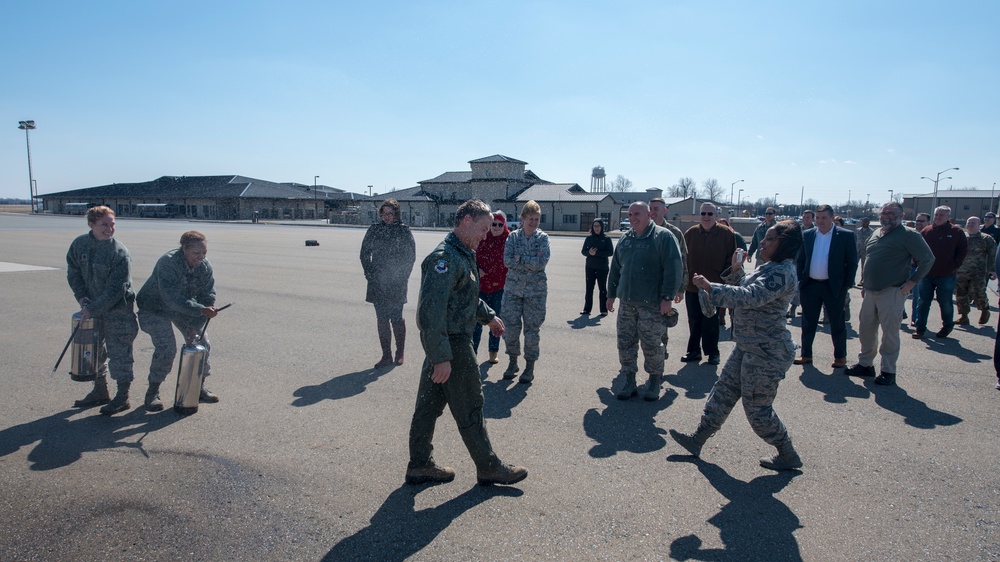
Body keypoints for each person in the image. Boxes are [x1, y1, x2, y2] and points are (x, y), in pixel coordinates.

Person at [405, 199, 527, 486]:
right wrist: (441, 357)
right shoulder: (444, 259)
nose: (485, 235)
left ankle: (419, 464)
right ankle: (488, 467)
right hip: (451, 345)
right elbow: (430, 313)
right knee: (471, 404)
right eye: (483, 229)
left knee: (427, 407)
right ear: (466, 221)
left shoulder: (463, 253)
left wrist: (489, 316)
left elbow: (465, 297)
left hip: (444, 345)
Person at [670, 220, 804, 471]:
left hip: (766, 351)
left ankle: (787, 452)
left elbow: (751, 297)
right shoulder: (769, 267)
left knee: (758, 411)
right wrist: (735, 270)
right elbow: (747, 287)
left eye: (770, 239)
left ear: (784, 244)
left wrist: (712, 287)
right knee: (723, 392)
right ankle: (697, 439)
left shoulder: (782, 272)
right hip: (747, 345)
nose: (762, 241)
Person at [847, 203, 934, 386]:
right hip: (870, 290)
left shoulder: (909, 235)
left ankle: (888, 370)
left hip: (893, 290)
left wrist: (912, 282)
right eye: (884, 212)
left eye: (891, 213)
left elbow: (928, 259)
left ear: (901, 215)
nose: (886, 216)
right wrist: (866, 284)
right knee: (866, 329)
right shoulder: (877, 233)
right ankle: (865, 364)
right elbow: (870, 259)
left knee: (890, 333)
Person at [65, 206, 139, 415]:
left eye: (112, 224)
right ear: (91, 225)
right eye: (104, 225)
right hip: (92, 308)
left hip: (118, 310)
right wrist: (82, 298)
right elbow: (74, 274)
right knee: (94, 351)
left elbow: (117, 290)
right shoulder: (79, 245)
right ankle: (100, 391)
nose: (109, 229)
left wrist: (93, 308)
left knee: (120, 353)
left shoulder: (119, 253)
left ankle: (122, 397)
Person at [606, 202, 683, 401]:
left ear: (649, 214)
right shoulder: (625, 239)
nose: (633, 218)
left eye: (637, 214)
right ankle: (630, 381)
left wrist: (667, 297)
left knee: (652, 345)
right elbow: (615, 268)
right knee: (625, 343)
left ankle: (654, 381)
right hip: (627, 303)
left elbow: (673, 268)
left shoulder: (663, 237)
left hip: (652, 304)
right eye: (630, 214)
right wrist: (611, 294)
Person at [136, 231, 220, 411]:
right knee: (167, 347)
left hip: (183, 309)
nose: (201, 257)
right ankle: (153, 392)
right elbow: (171, 298)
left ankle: (198, 387)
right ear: (185, 249)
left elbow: (208, 296)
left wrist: (194, 326)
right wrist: (199, 310)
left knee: (201, 342)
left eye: (204, 253)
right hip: (154, 308)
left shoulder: (204, 266)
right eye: (197, 253)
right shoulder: (168, 262)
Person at [793, 205, 858, 369]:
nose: (820, 221)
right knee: (808, 323)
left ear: (832, 218)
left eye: (824, 218)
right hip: (810, 286)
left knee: (837, 323)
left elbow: (852, 263)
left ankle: (840, 357)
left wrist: (846, 285)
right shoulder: (807, 235)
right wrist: (801, 280)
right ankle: (806, 354)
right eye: (818, 218)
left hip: (833, 287)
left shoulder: (845, 236)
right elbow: (800, 260)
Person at [360, 199, 416, 368]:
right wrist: (370, 274)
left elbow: (410, 257)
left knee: (396, 317)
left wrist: (402, 276)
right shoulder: (374, 230)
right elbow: (364, 254)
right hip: (378, 282)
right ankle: (386, 355)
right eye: (383, 213)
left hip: (397, 282)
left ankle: (400, 352)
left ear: (396, 214)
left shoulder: (404, 231)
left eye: (390, 213)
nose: (386, 217)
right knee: (382, 318)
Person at [501, 200, 550, 384]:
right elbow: (507, 260)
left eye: (537, 219)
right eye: (530, 219)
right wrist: (530, 260)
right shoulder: (513, 237)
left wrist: (520, 259)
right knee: (511, 330)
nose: (534, 222)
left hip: (535, 293)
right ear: (522, 218)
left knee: (532, 332)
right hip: (513, 291)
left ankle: (530, 366)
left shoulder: (543, 238)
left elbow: (542, 262)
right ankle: (512, 362)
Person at [682, 202, 738, 365]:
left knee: (711, 321)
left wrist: (724, 281)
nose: (706, 217)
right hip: (692, 286)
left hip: (714, 287)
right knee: (694, 319)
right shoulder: (690, 233)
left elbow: (731, 260)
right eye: (703, 214)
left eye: (710, 214)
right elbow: (683, 259)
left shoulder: (726, 234)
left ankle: (713, 353)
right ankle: (693, 351)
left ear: (716, 216)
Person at [913, 205, 968, 339]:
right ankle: (920, 328)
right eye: (936, 215)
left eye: (941, 215)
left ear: (948, 217)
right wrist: (917, 263)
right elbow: (916, 248)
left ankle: (947, 326)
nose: (938, 217)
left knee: (945, 302)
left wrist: (953, 266)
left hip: (946, 275)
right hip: (926, 274)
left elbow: (962, 251)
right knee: (923, 302)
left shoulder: (956, 232)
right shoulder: (926, 231)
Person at [650, 197, 689, 344]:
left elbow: (682, 262)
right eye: (650, 209)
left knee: (661, 326)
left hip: (664, 288)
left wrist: (680, 289)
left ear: (664, 210)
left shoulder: (674, 233)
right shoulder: (643, 230)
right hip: (645, 288)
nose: (652, 212)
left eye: (656, 209)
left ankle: (660, 356)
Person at [472, 211, 509, 364]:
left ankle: (493, 352)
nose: (496, 227)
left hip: (499, 287)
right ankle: (472, 353)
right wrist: (476, 268)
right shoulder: (483, 236)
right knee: (476, 323)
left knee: (496, 321)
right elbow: (471, 254)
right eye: (494, 224)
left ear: (504, 225)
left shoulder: (509, 239)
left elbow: (510, 262)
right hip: (481, 286)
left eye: (500, 224)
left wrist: (498, 276)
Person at [955, 216, 996, 325]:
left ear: (979, 225)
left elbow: (993, 255)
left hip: (978, 272)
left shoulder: (986, 239)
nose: (970, 225)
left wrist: (992, 270)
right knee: (960, 294)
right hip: (961, 271)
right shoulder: (962, 237)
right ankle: (964, 316)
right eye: (969, 222)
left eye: (973, 223)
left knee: (978, 292)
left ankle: (984, 310)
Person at [580, 218, 614, 316]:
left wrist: (597, 253)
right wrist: (589, 253)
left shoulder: (606, 239)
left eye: (598, 226)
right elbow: (583, 251)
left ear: (602, 227)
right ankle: (587, 309)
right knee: (589, 288)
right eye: (594, 226)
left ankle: (604, 310)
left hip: (602, 267)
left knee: (602, 289)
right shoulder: (589, 238)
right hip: (590, 266)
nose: (596, 228)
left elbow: (610, 252)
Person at [717, 218, 745, 327]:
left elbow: (742, 251)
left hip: (734, 272)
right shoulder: (716, 237)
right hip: (721, 272)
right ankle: (721, 317)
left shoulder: (736, 236)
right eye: (720, 226)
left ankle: (733, 320)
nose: (723, 228)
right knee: (721, 296)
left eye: (724, 226)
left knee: (732, 297)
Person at [908, 213, 931, 325]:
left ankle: (915, 318)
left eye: (922, 221)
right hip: (906, 267)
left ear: (928, 222)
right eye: (917, 220)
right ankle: (901, 313)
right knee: (897, 291)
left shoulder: (929, 234)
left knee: (917, 295)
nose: (919, 223)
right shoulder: (910, 234)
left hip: (919, 269)